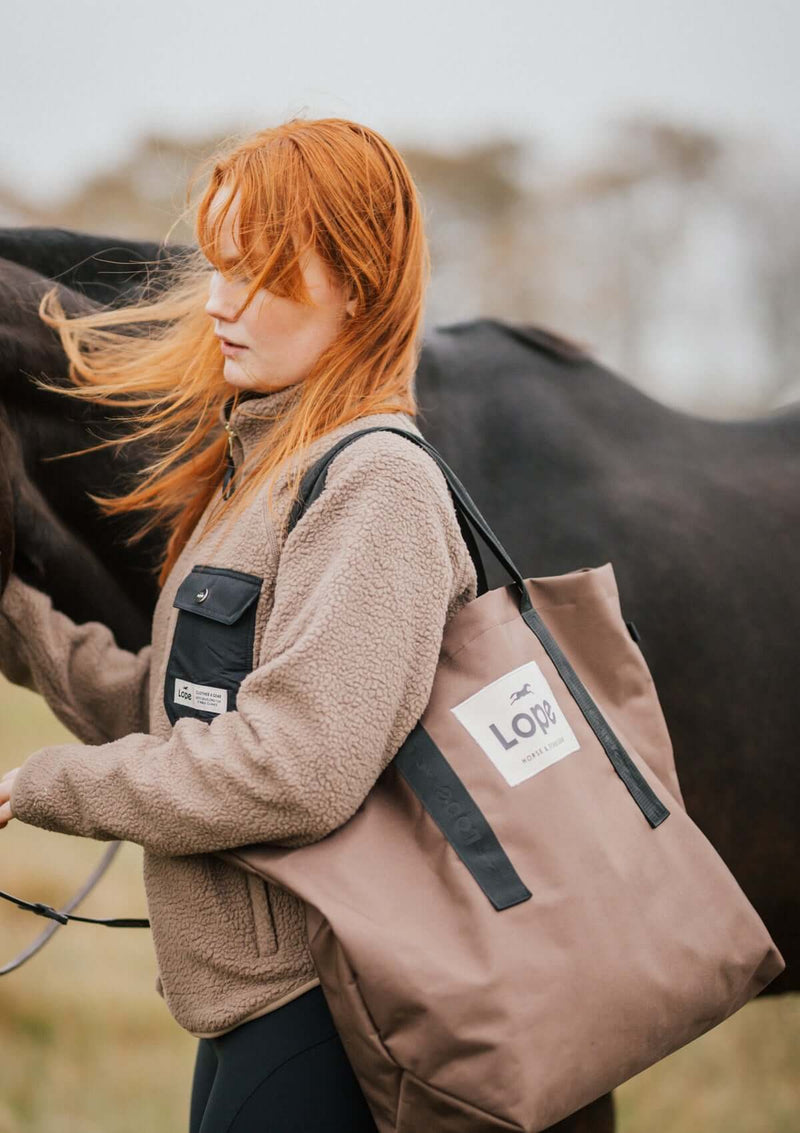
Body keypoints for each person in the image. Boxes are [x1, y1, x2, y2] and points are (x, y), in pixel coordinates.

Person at [0, 117, 478, 1131]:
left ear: (357, 282)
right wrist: (16, 620)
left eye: (261, 272)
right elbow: (172, 706)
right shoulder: (258, 475)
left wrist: (39, 783)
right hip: (250, 1007)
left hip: (328, 1007)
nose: (218, 301)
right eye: (219, 265)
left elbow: (293, 763)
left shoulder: (375, 483)